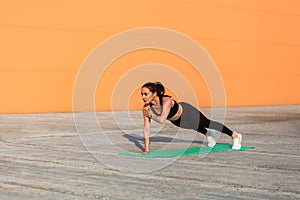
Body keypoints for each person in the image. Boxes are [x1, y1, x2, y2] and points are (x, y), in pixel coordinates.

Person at [139, 81, 242, 154]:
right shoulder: (147, 108)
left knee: (207, 123)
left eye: (145, 94)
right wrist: (146, 150)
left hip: (187, 112)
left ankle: (235, 135)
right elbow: (146, 128)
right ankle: (209, 133)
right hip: (176, 120)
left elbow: (162, 120)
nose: (143, 97)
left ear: (155, 93)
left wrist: (151, 116)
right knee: (194, 127)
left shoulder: (166, 101)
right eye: (142, 94)